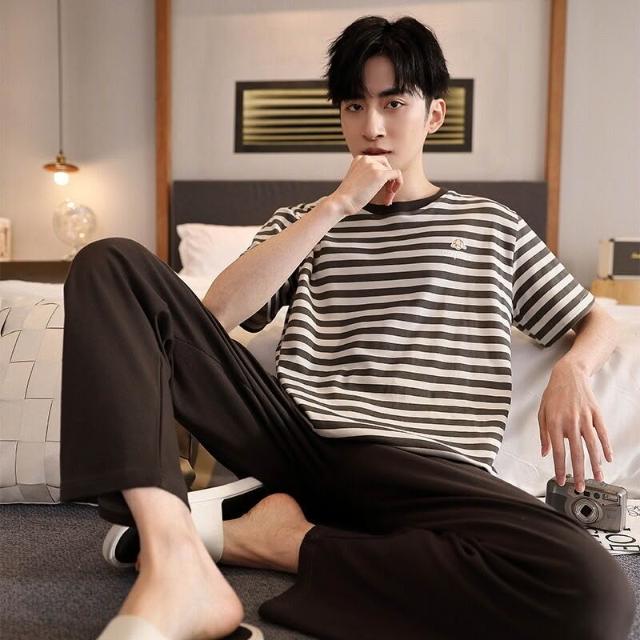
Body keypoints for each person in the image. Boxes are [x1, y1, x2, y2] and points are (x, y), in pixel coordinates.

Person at [60, 14, 636, 640]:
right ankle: (173, 552)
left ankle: (276, 541)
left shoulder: (491, 226)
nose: (372, 126)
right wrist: (336, 206)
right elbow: (218, 313)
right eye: (355, 106)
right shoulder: (304, 220)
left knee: (594, 593)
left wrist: (572, 368)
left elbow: (596, 319)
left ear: (434, 115)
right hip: (296, 442)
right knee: (109, 262)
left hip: (426, 467)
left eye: (394, 103)